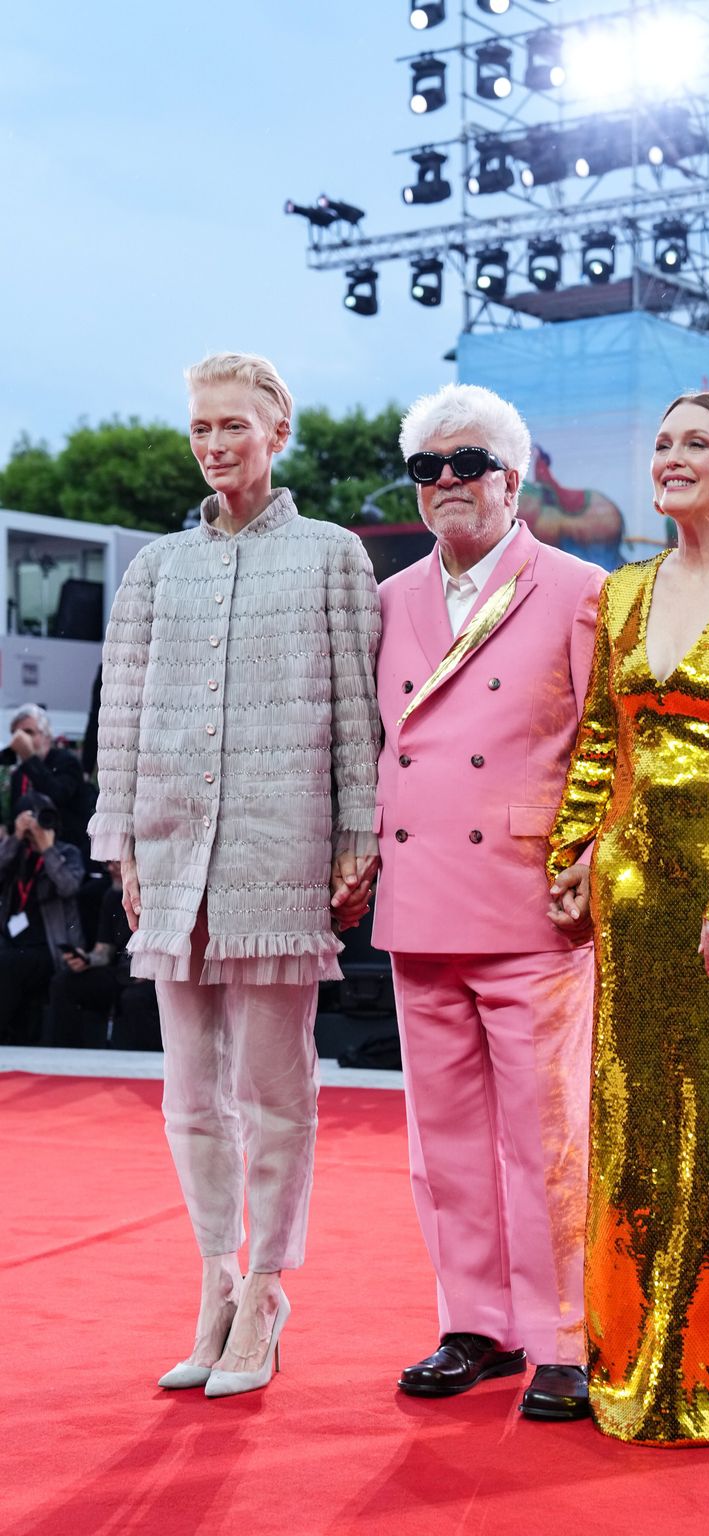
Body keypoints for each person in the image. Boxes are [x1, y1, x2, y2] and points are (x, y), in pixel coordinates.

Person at [89, 352, 381, 1398]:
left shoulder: (331, 556)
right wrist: (118, 837)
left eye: (235, 428)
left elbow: (359, 712)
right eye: (202, 429)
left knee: (275, 1090)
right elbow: (116, 716)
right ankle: (212, 1277)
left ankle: (266, 1287)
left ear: (277, 433)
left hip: (279, 848)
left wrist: (360, 834)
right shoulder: (156, 570)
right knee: (188, 1096)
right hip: (170, 852)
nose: (216, 445)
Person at [547, 391, 709, 1447]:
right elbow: (599, 745)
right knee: (629, 1112)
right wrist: (573, 853)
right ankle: (624, 1360)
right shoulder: (620, 592)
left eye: (694, 443)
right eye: (660, 444)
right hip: (631, 883)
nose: (670, 459)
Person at [345, 382, 603, 1422]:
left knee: (544, 1136)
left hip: (530, 900)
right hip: (418, 903)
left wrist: (584, 858)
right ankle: (476, 1325)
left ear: (514, 477)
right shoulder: (390, 599)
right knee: (442, 1134)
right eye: (426, 468)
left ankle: (561, 1340)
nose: (445, 483)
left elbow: (607, 745)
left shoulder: (582, 588)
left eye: (466, 464)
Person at [44, 861, 161, 1050]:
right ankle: (63, 1053)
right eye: (107, 863)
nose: (111, 868)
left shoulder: (158, 896)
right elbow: (103, 951)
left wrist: (151, 968)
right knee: (64, 982)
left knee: (134, 999)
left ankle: (146, 1064)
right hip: (122, 970)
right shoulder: (111, 896)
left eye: (116, 862)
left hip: (155, 973)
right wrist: (86, 959)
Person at [0, 793, 85, 1044]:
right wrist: (16, 838)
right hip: (11, 943)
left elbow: (69, 886)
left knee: (7, 963)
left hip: (48, 947)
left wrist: (47, 849)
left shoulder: (67, 853)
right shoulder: (16, 853)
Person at [5, 704, 95, 856]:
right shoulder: (19, 773)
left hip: (67, 853)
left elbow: (57, 795)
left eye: (28, 732)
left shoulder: (66, 761)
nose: (22, 740)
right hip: (30, 854)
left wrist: (30, 759)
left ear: (46, 735)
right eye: (17, 734)